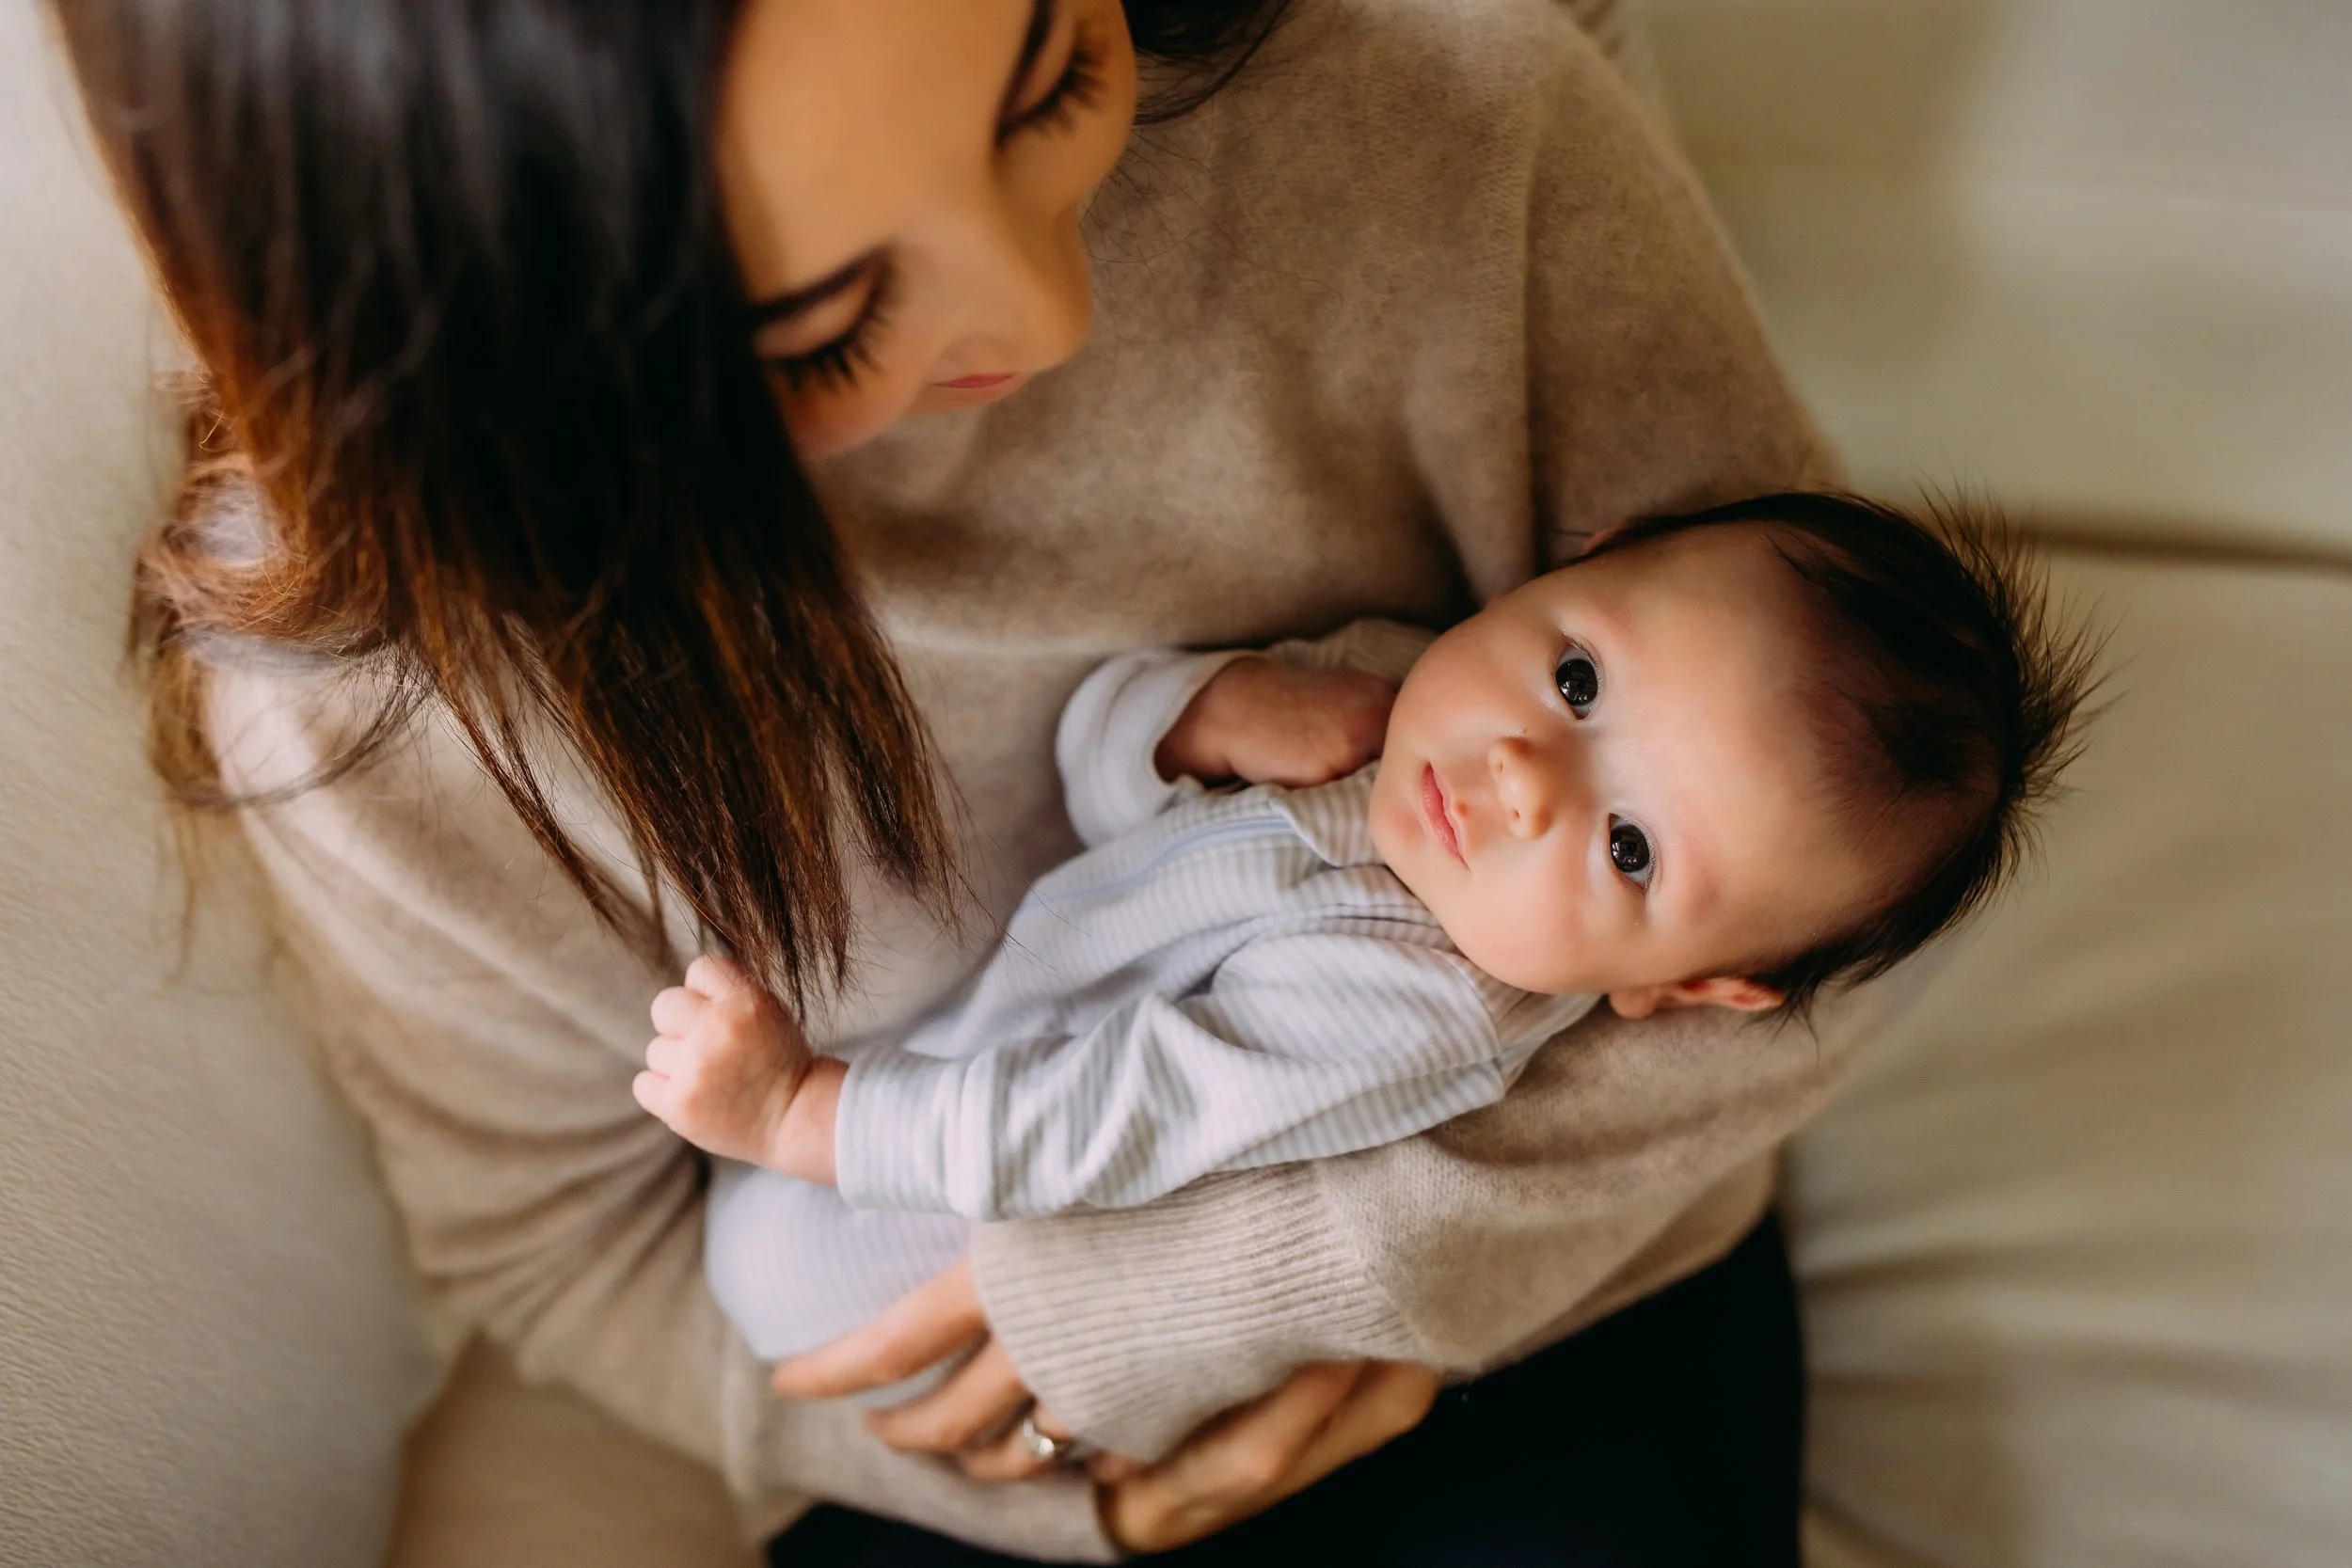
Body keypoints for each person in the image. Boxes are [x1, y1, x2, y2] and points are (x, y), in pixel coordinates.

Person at [51, 0, 1927, 1560]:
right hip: (982, 1451)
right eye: (827, 323)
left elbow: (1832, 866)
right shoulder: (386, 700)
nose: (1043, 318)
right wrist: (1092, 1454)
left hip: (1555, 1276)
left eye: (1053, 78)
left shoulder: (1425, 83)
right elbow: (570, 1254)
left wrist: (1294, 1292)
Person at [644, 495, 2092, 1391]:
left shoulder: (1417, 1006)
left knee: (753, 1276)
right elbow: (1093, 798)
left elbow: (1121, 1114)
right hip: (962, 1037)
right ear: (1600, 551)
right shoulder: (1400, 682)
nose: (1524, 771)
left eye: (1630, 847)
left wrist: (806, 1113)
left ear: (1677, 988)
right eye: (1579, 675)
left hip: (933, 1213)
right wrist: (1197, 714)